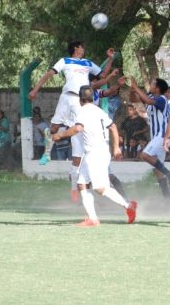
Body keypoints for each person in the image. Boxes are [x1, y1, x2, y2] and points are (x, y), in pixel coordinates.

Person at [52, 85, 137, 226]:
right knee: (82, 184)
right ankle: (92, 218)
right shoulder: (99, 111)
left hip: (95, 154)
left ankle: (128, 206)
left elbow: (78, 128)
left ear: (80, 99)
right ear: (92, 98)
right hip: (94, 152)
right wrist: (116, 147)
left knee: (100, 188)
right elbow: (113, 127)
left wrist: (60, 135)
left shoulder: (83, 111)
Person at [28, 41, 115, 164]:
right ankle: (46, 154)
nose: (83, 49)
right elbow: (49, 74)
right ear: (76, 48)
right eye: (82, 47)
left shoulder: (87, 63)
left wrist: (110, 59)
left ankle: (86, 157)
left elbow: (103, 74)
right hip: (65, 97)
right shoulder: (65, 61)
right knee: (53, 127)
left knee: (81, 127)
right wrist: (35, 90)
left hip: (79, 99)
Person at [131, 77, 170, 198]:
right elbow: (134, 99)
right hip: (157, 137)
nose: (149, 86)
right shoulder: (151, 98)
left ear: (157, 88)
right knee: (158, 170)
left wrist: (136, 87)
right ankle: (168, 199)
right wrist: (132, 90)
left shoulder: (161, 99)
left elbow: (148, 101)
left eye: (151, 84)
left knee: (144, 155)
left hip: (162, 135)